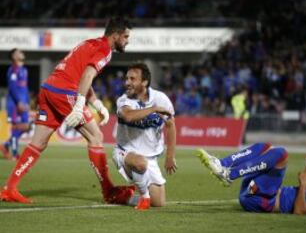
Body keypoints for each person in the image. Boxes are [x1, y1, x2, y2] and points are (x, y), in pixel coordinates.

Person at [0, 17, 134, 204]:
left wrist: (97, 104)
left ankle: (9, 188)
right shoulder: (105, 50)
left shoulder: (90, 43)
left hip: (48, 89)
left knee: (38, 142)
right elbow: (87, 75)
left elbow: (82, 75)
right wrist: (79, 106)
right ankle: (109, 191)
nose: (128, 41)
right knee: (96, 136)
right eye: (126, 37)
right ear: (116, 35)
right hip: (65, 92)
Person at [197, 143, 306, 215]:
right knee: (266, 147)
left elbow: (300, 211)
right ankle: (222, 164)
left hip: (264, 200)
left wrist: (302, 185)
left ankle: (229, 174)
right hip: (253, 191)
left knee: (282, 154)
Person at [112, 63, 177, 210]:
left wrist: (169, 156)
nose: (127, 82)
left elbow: (171, 125)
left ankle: (123, 196)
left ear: (144, 82)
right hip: (125, 153)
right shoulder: (124, 100)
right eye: (127, 78)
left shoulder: (161, 98)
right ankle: (144, 198)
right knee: (140, 163)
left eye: (132, 79)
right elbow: (128, 116)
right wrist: (153, 109)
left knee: (159, 203)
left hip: (150, 157)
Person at [0, 49, 31, 160]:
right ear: (14, 56)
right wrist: (18, 102)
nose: (22, 52)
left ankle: (6, 145)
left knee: (26, 127)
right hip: (15, 104)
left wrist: (27, 102)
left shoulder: (24, 70)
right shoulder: (13, 69)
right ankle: (14, 154)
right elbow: (12, 87)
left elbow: (25, 88)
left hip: (23, 103)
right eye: (18, 52)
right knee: (16, 127)